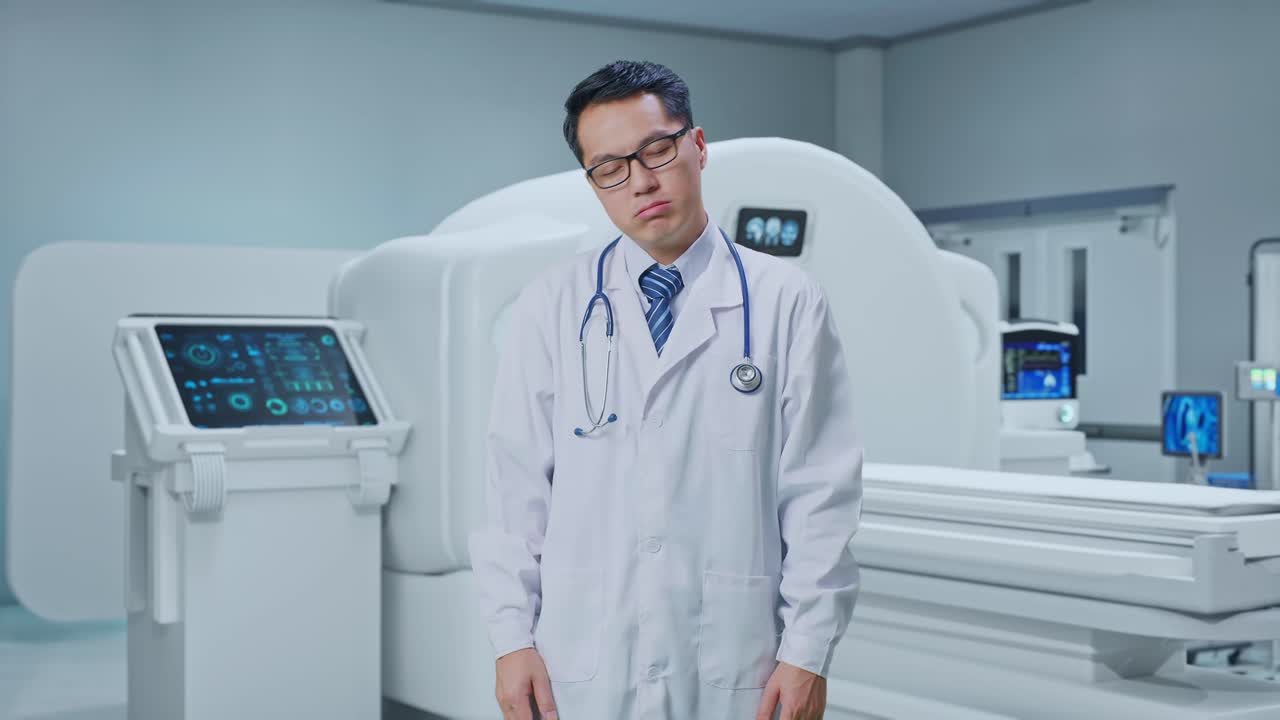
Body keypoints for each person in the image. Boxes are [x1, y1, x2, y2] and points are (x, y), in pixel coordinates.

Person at [469, 60, 863, 720]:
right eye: (610, 168)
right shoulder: (552, 306)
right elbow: (515, 492)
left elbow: (820, 496)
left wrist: (807, 653)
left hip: (737, 664)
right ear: (593, 183)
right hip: (585, 663)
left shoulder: (786, 302)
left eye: (657, 149)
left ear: (697, 146)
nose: (641, 182)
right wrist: (511, 641)